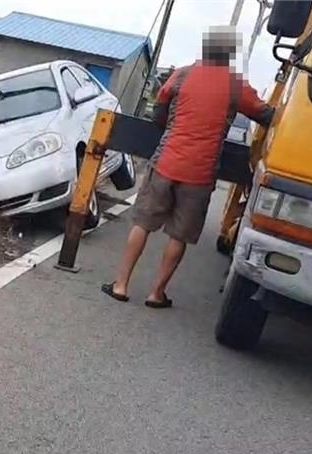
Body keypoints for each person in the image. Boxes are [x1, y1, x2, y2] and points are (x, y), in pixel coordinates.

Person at [102, 26, 275, 308]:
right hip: (201, 173)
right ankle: (156, 293)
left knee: (142, 223)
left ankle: (121, 285)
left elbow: (159, 109)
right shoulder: (235, 84)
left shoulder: (182, 74)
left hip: (167, 161)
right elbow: (265, 113)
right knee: (178, 235)